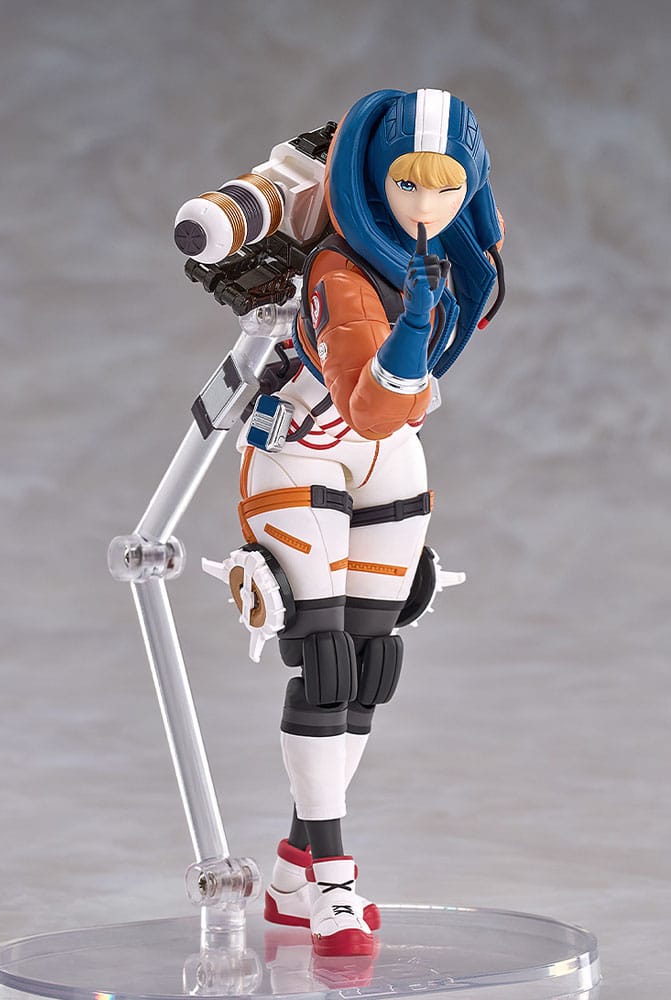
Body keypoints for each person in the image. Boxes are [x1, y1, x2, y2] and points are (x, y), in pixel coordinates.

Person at [235, 88, 504, 957]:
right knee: (323, 658)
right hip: (305, 448)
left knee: (367, 661)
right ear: (369, 178)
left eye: (448, 185)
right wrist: (412, 326)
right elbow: (371, 403)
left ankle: (291, 874)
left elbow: (398, 419)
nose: (429, 204)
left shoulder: (455, 253)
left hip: (387, 456)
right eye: (408, 183)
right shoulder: (339, 274)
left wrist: (428, 314)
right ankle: (334, 880)